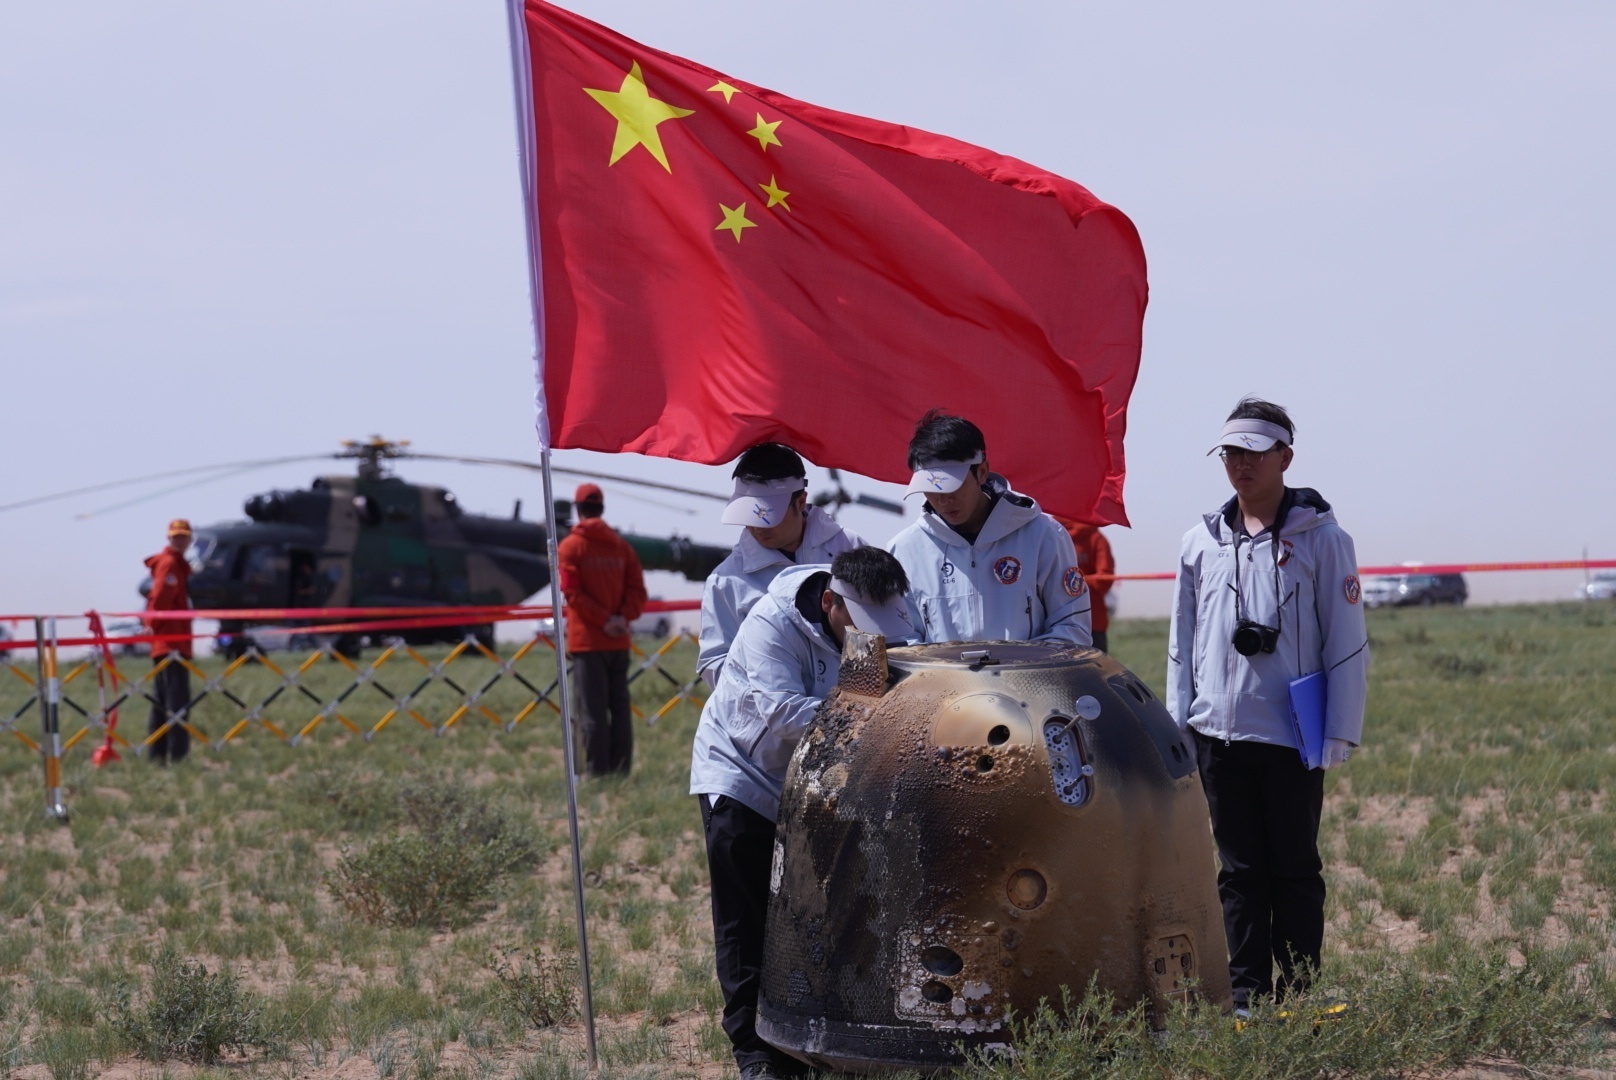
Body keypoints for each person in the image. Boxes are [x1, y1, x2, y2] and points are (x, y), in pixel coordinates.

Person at [1167, 397, 1369, 1011]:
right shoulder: (1198, 542)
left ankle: (1301, 995)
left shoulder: (1323, 539)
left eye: (1254, 452)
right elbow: (1182, 641)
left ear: (1285, 456)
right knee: (1238, 874)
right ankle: (1249, 998)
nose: (1241, 465)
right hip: (1219, 735)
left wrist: (1340, 729)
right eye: (1231, 453)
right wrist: (1180, 724)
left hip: (1292, 736)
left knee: (1295, 871)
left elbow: (1347, 641)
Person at [689, 547, 913, 1080]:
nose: (873, 639)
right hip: (744, 773)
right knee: (746, 920)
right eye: (862, 625)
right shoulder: (772, 623)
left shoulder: (882, 622)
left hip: (820, 782)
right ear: (831, 602)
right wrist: (881, 714)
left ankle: (817, 1040)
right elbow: (781, 712)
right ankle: (756, 1053)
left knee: (824, 915)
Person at [887, 410, 1091, 646]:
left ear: (982, 472)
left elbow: (1072, 627)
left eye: (952, 486)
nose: (943, 499)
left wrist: (1014, 670)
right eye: (930, 488)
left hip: (1027, 682)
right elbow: (902, 641)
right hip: (942, 684)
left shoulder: (1044, 535)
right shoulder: (904, 550)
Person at [697, 443, 866, 688]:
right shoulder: (726, 580)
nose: (756, 528)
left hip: (851, 709)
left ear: (800, 501)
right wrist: (767, 693)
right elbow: (715, 661)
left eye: (767, 518)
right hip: (771, 720)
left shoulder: (850, 548)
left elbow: (882, 627)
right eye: (748, 517)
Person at [556, 483, 648, 777]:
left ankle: (597, 773)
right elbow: (638, 591)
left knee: (591, 711)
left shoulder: (570, 547)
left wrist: (603, 621)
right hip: (619, 643)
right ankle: (621, 771)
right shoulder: (622, 547)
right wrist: (621, 619)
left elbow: (571, 594)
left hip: (588, 644)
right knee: (620, 709)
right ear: (602, 508)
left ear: (578, 509)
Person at [143, 518, 195, 764]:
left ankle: (158, 755)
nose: (180, 540)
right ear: (169, 538)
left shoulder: (176, 564)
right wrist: (152, 626)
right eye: (176, 537)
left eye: (184, 536)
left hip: (170, 642)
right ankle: (177, 755)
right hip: (171, 643)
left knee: (162, 700)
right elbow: (161, 599)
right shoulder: (171, 564)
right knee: (176, 701)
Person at [1054, 517, 1116, 652]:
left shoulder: (1049, 535)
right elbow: (1105, 578)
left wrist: (1063, 586)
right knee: (1097, 671)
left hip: (1055, 621)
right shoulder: (1096, 537)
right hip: (1092, 618)